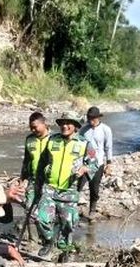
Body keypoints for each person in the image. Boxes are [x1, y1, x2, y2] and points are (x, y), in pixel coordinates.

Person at [32, 111, 99, 259]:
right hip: (49, 189)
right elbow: (42, 162)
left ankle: (65, 251)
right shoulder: (52, 140)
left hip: (69, 191)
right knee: (40, 218)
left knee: (68, 224)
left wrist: (85, 168)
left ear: (75, 126)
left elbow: (95, 164)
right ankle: (48, 241)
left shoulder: (84, 143)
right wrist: (38, 184)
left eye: (68, 123)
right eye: (62, 123)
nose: (64, 126)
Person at [79, 106, 114, 219]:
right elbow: (79, 145)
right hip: (84, 163)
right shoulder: (84, 130)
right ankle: (71, 207)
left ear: (98, 117)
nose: (91, 120)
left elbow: (108, 147)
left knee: (94, 188)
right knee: (78, 186)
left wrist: (109, 164)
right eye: (89, 118)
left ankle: (92, 210)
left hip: (98, 163)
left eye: (93, 118)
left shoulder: (106, 129)